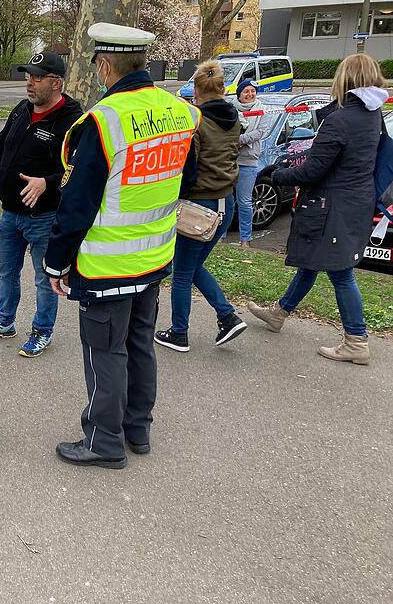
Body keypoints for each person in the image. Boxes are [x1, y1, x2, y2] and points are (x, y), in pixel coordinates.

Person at [44, 23, 201, 469]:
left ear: (105, 64)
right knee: (140, 345)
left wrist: (56, 264)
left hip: (107, 265)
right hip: (153, 258)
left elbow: (76, 205)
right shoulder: (180, 111)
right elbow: (186, 179)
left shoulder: (104, 120)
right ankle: (138, 428)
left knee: (104, 352)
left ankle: (103, 441)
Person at [248, 53, 387, 365]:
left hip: (333, 205)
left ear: (344, 80)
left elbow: (313, 171)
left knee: (340, 273)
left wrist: (278, 174)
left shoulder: (339, 120)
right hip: (356, 201)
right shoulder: (373, 116)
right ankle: (279, 313)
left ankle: (356, 339)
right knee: (311, 261)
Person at [0, 51, 83, 357]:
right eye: (28, 76)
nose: (29, 83)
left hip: (44, 217)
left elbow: (79, 169)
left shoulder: (74, 119)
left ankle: (42, 331)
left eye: (37, 77)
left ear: (56, 83)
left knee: (44, 279)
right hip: (10, 214)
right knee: (6, 272)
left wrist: (46, 182)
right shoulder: (22, 109)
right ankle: (4, 321)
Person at [154, 60, 247, 353]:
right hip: (225, 202)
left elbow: (189, 168)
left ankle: (179, 332)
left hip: (198, 205)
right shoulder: (234, 119)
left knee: (182, 270)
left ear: (196, 90)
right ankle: (227, 316)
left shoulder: (196, 122)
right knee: (193, 266)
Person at [231, 79, 267, 248]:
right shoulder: (231, 109)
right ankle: (220, 236)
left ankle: (246, 239)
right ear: (239, 94)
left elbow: (260, 132)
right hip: (229, 160)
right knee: (226, 201)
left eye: (253, 91)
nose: (250, 94)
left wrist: (238, 140)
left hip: (248, 161)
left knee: (244, 202)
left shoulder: (262, 110)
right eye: (246, 91)